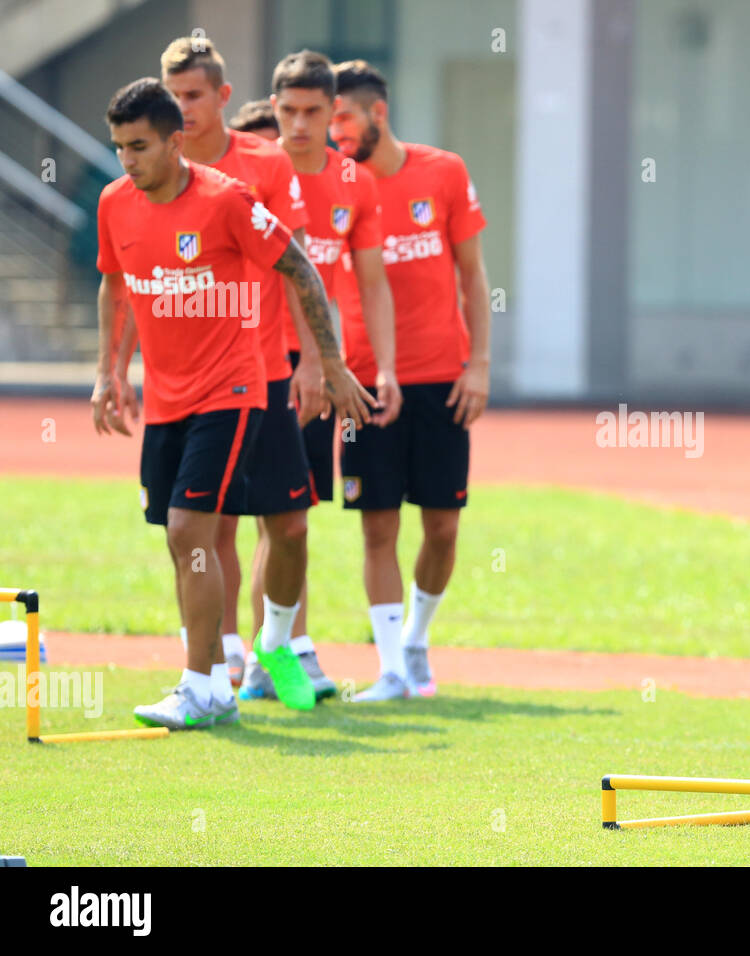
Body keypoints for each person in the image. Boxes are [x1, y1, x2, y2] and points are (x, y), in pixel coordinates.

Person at [93, 77, 373, 729]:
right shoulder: (114, 203)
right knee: (177, 533)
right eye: (119, 148)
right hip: (166, 398)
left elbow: (299, 266)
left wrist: (327, 363)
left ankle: (209, 680)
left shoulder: (227, 200)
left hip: (237, 389)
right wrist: (109, 371)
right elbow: (114, 286)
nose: (128, 161)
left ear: (174, 139)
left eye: (139, 147)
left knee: (203, 526)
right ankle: (216, 676)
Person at [152, 36, 338, 701]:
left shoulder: (264, 163)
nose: (182, 108)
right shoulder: (152, 173)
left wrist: (313, 359)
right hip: (190, 384)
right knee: (206, 527)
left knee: (289, 524)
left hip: (267, 369)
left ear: (223, 96)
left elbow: (297, 266)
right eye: (172, 96)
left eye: (193, 95)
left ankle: (274, 646)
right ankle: (217, 662)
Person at [235, 51, 402, 703]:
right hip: (255, 369)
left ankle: (276, 655)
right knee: (273, 517)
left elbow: (370, 283)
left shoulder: (355, 182)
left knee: (293, 516)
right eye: (287, 110)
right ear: (271, 108)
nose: (299, 124)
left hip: (315, 370)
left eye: (313, 111)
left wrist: (377, 366)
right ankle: (266, 657)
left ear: (335, 113)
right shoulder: (251, 173)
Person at [328, 60, 491, 700]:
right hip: (363, 382)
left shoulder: (443, 171)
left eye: (341, 117)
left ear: (378, 113)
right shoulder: (333, 185)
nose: (333, 130)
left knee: (443, 525)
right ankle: (391, 667)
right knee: (376, 523)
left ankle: (417, 639)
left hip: (442, 377)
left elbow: (473, 275)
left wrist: (478, 363)